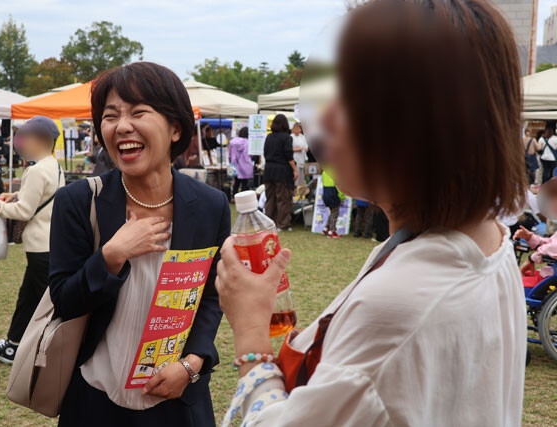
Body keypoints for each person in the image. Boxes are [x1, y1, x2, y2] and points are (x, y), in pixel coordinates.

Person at [216, 0, 526, 425]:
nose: (323, 119)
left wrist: (251, 335)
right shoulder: (485, 237)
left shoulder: (398, 305)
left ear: (418, 123)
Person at [48, 62, 230, 426]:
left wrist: (192, 363)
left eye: (138, 112)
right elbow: (65, 301)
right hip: (95, 397)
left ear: (175, 127)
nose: (121, 126)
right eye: (110, 116)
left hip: (178, 400)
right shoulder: (79, 202)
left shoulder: (210, 205)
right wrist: (112, 256)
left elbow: (211, 296)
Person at [0, 116, 65, 363]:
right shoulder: (53, 165)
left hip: (39, 246)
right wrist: (15, 194)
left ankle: (53, 348)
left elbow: (23, 212)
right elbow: (43, 196)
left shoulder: (35, 170)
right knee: (30, 297)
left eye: (26, 138)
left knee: (45, 301)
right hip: (50, 242)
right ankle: (13, 345)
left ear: (43, 140)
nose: (21, 144)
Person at [263, 114, 298, 231]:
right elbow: (289, 155)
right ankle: (282, 224)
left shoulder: (269, 137)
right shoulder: (287, 137)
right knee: (283, 198)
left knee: (270, 199)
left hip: (268, 170)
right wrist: (295, 169)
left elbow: (265, 153)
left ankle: (269, 223)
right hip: (282, 171)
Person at [229, 127, 254, 196]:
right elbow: (251, 154)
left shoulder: (232, 142)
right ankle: (243, 197)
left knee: (236, 183)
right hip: (246, 165)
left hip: (235, 165)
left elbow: (230, 155)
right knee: (244, 184)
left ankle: (234, 197)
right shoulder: (249, 142)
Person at [321, 169, 344, 238]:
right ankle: (332, 231)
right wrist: (342, 197)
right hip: (333, 194)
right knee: (335, 213)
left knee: (332, 212)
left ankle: (326, 228)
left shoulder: (325, 171)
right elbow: (339, 186)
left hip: (326, 194)